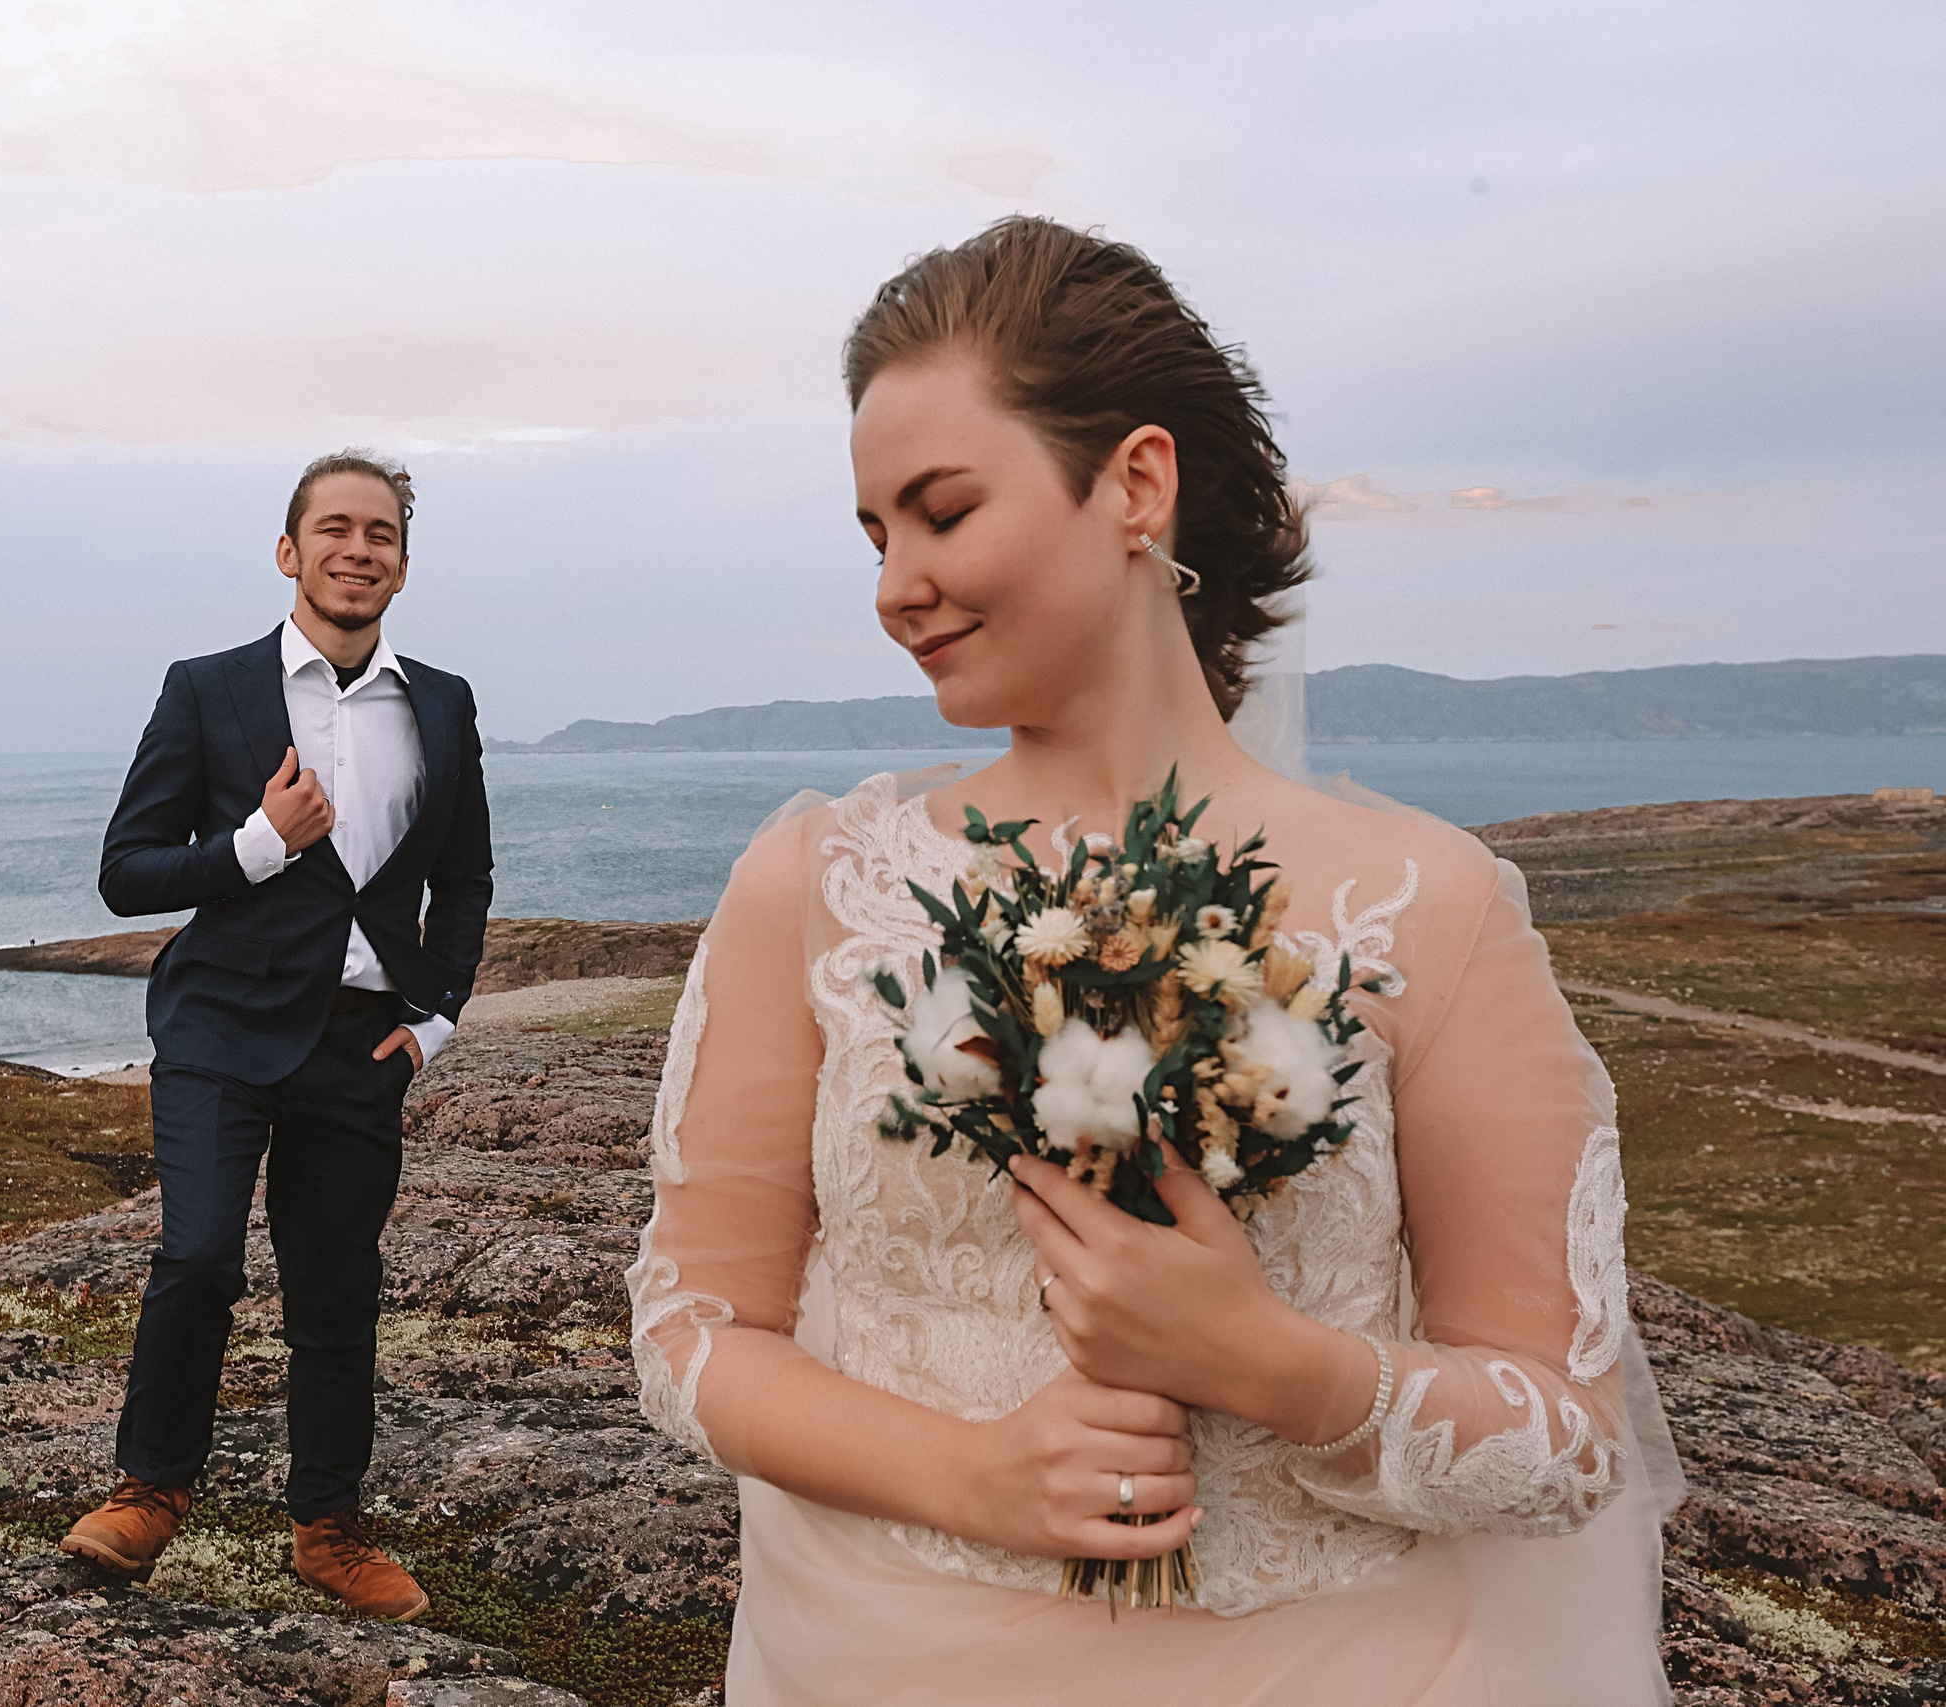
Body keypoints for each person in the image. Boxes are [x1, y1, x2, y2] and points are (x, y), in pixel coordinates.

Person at [626, 219, 1676, 1702]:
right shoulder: (817, 885)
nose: (895, 585)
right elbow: (688, 1330)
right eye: (876, 535)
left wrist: (1282, 1367)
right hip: (876, 1656)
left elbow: (1567, 1441)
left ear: (1134, 481)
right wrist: (972, 1473)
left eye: (941, 512)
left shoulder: (1429, 903)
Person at [63, 450, 493, 1620]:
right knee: (198, 1255)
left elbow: (462, 878)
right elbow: (124, 874)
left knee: (336, 1287)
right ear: (289, 551)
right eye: (335, 529)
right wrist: (259, 840)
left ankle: (328, 1528)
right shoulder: (207, 689)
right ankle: (149, 1492)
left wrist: (435, 1019)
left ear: (402, 562)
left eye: (383, 534)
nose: (359, 550)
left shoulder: (442, 702)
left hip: (358, 1042)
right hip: (217, 1024)